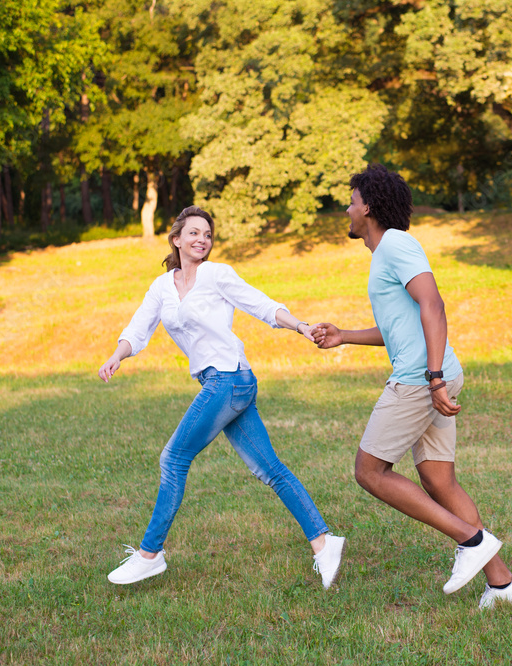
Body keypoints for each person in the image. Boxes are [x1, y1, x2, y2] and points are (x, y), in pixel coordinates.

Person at [310, 164, 512, 609]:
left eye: (351, 202)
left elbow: (433, 303)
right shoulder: (385, 253)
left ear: (367, 207)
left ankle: (472, 541)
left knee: (370, 472)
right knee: (438, 479)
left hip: (418, 379)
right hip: (430, 372)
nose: (347, 210)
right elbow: (401, 324)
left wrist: (433, 379)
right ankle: (504, 585)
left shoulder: (397, 244)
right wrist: (345, 335)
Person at [98, 206, 345, 588]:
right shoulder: (162, 286)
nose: (202, 239)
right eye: (194, 233)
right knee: (270, 469)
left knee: (174, 458)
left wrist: (300, 325)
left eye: (208, 235)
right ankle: (324, 543)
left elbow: (260, 304)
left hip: (228, 380)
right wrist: (118, 354)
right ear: (177, 239)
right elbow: (138, 326)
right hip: (227, 383)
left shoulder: (217, 275)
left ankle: (150, 554)